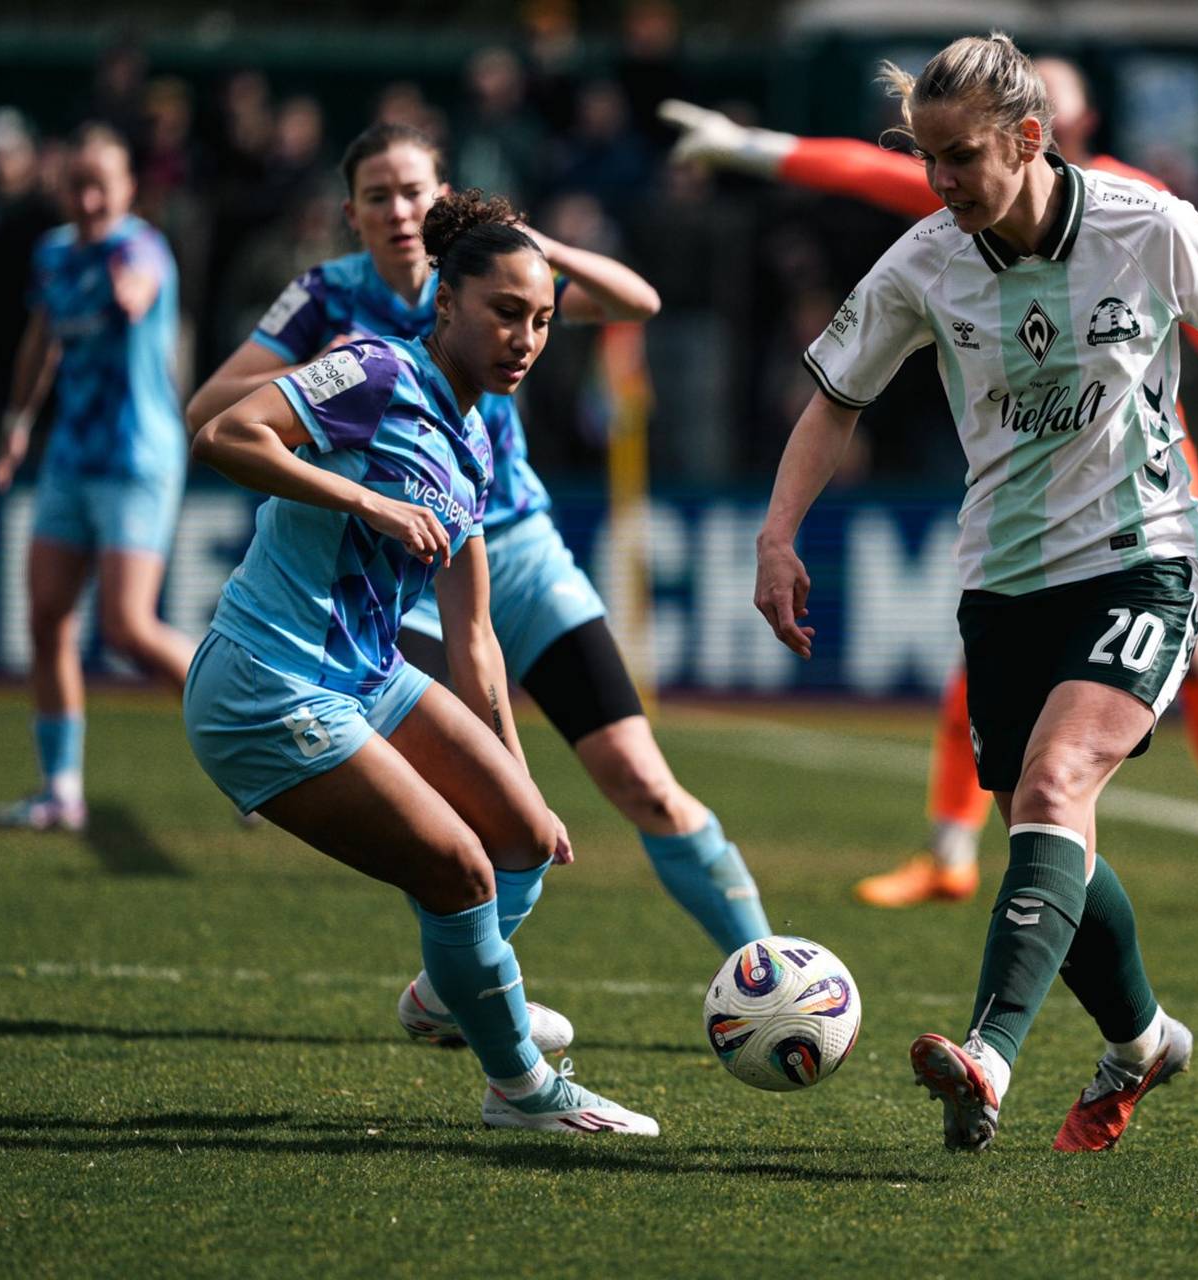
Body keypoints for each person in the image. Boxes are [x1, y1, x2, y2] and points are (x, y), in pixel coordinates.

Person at [754, 34, 1198, 1153]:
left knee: (1056, 775)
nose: (940, 184)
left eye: (960, 159)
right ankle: (1141, 1038)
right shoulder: (923, 262)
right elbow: (835, 400)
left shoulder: (1150, 224)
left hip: (1147, 556)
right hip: (1003, 580)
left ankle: (987, 1054)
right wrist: (777, 533)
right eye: (926, 159)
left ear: (1029, 139)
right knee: (1048, 823)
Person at [666, 59, 1198, 917]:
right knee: (995, 679)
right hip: (1025, 506)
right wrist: (752, 148)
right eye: (938, 156)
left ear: (1053, 128)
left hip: (1140, 493)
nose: (946, 174)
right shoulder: (955, 214)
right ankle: (952, 851)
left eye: (1054, 113)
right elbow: (867, 171)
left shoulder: (1130, 206)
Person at [187, 124, 770, 1044]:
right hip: (390, 571)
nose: (400, 210)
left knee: (638, 783)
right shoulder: (332, 304)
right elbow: (212, 417)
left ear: (444, 196)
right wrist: (336, 412)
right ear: (353, 214)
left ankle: (766, 975)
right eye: (377, 195)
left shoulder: (502, 273)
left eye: (416, 190)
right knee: (450, 820)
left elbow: (639, 302)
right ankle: (477, 1005)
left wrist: (529, 244)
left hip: (514, 548)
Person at [187, 190, 657, 1135]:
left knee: (521, 839)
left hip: (363, 678)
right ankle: (521, 1089)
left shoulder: (477, 441)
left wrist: (520, 779)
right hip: (267, 681)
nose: (525, 338)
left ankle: (449, 997)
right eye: (504, 313)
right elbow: (223, 434)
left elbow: (474, 635)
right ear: (446, 304)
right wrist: (366, 504)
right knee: (461, 873)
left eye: (542, 321)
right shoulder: (369, 369)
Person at [0, 124, 196, 832]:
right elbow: (40, 341)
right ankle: (61, 791)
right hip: (72, 456)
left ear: (129, 186)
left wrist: (125, 290)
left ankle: (261, 728)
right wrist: (17, 426)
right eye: (78, 183)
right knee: (46, 616)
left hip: (137, 458)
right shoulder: (52, 255)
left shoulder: (140, 246)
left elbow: (138, 290)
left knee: (129, 629)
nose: (90, 196)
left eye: (103, 182)